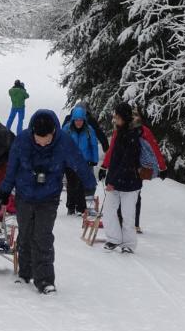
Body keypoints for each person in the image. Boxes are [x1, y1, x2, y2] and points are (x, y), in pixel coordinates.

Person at [0, 109, 96, 294]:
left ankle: (45, 281)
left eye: (46, 140)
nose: (42, 144)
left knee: (43, 237)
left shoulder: (64, 142)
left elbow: (79, 162)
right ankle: (25, 273)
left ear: (53, 133)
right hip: (24, 195)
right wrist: (4, 191)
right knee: (25, 234)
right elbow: (11, 168)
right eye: (38, 140)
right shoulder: (22, 140)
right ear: (33, 132)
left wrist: (89, 184)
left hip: (49, 197)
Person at [98, 102, 158, 253]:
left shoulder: (133, 135)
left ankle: (129, 244)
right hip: (116, 180)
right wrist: (105, 168)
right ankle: (114, 239)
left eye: (117, 117)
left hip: (130, 183)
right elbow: (114, 156)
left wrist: (113, 181)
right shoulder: (119, 132)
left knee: (127, 215)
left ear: (124, 117)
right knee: (109, 211)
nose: (114, 119)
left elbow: (127, 162)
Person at [130, 107, 168, 233]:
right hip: (136, 167)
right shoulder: (128, 131)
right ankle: (132, 224)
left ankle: (132, 223)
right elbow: (155, 148)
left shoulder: (141, 131)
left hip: (136, 167)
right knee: (134, 195)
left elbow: (154, 148)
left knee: (134, 194)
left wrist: (162, 167)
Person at [63, 105, 99, 215]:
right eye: (76, 120)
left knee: (82, 184)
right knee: (72, 184)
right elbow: (61, 145)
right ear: (73, 119)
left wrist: (94, 159)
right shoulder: (67, 129)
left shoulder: (89, 130)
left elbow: (94, 145)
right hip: (70, 162)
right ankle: (70, 206)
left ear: (84, 120)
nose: (78, 122)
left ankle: (81, 208)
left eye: (81, 120)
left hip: (85, 162)